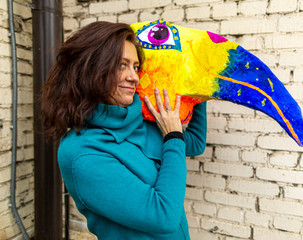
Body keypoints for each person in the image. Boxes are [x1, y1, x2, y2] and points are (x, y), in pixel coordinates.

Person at [40, 21, 207, 240]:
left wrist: (199, 91)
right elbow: (163, 216)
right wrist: (173, 135)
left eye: (135, 66)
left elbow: (194, 142)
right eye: (121, 65)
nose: (134, 77)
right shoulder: (81, 153)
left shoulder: (140, 121)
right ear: (90, 70)